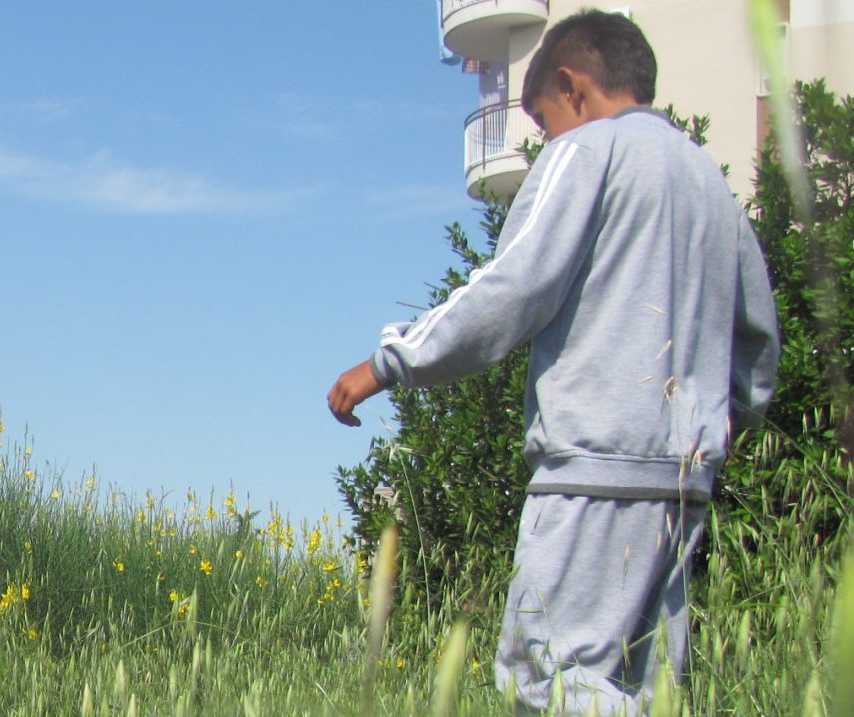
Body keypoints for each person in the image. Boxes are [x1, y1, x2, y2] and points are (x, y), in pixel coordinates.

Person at [326, 10, 779, 715]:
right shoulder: (708, 182)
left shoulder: (587, 152)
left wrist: (391, 362)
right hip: (684, 483)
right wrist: (711, 428)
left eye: (542, 121)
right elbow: (755, 342)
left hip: (593, 470)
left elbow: (512, 288)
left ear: (573, 87)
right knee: (644, 690)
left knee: (547, 683)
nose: (546, 141)